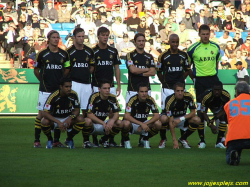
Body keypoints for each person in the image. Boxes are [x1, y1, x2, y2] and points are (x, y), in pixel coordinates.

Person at [33, 30, 70, 148]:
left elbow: (67, 68)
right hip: (45, 89)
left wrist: (61, 81)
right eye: (54, 37)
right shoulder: (41, 54)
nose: (56, 39)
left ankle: (56, 141)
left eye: (57, 37)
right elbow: (36, 70)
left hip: (58, 90)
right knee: (41, 114)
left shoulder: (64, 54)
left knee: (57, 113)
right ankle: (37, 140)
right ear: (48, 39)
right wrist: (43, 81)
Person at [187, 24, 221, 148]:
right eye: (203, 34)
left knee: (218, 109)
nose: (205, 36)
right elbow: (188, 67)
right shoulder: (192, 49)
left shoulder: (216, 47)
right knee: (202, 110)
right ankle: (202, 141)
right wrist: (194, 78)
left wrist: (215, 76)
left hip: (213, 80)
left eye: (207, 34)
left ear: (210, 34)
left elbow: (216, 63)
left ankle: (220, 141)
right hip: (200, 82)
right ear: (199, 34)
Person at [157, 34, 193, 148]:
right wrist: (164, 82)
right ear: (169, 42)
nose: (175, 44)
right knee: (165, 116)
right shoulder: (163, 56)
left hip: (180, 89)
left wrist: (182, 79)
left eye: (177, 42)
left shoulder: (184, 55)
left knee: (182, 112)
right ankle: (163, 139)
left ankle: (183, 139)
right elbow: (159, 71)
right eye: (173, 42)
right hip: (167, 89)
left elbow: (187, 70)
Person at [41, 77, 92, 149]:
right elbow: (45, 113)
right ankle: (50, 140)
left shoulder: (73, 94)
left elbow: (77, 109)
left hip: (67, 118)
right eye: (66, 87)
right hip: (55, 119)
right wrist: (58, 122)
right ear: (61, 87)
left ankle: (69, 139)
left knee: (81, 119)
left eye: (70, 86)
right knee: (44, 121)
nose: (69, 89)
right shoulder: (54, 96)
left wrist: (70, 118)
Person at [65, 28, 95, 117]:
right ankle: (71, 129)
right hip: (74, 83)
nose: (81, 38)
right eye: (79, 36)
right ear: (74, 37)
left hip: (86, 83)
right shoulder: (68, 52)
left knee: (86, 110)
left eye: (83, 36)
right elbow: (66, 68)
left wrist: (86, 73)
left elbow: (92, 66)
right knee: (73, 109)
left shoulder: (89, 51)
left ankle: (86, 129)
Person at [161, 82, 200, 149]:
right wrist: (174, 140)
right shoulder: (169, 100)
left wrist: (181, 119)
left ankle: (183, 138)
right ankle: (163, 139)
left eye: (182, 91)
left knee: (197, 120)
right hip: (170, 119)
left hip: (182, 118)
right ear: (174, 91)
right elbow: (170, 121)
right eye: (178, 91)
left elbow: (193, 112)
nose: (180, 93)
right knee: (163, 119)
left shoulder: (189, 96)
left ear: (184, 90)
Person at [122, 82, 161, 149]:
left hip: (145, 123)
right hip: (133, 124)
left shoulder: (150, 100)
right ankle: (126, 140)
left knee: (158, 124)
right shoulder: (132, 100)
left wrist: (145, 124)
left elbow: (157, 116)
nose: (144, 94)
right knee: (126, 123)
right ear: (138, 92)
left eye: (146, 91)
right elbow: (126, 116)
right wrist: (141, 124)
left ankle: (144, 139)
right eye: (142, 92)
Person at [86, 79, 123, 148]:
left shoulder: (112, 97)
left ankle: (104, 139)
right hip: (94, 124)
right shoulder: (94, 97)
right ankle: (86, 141)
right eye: (105, 88)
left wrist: (111, 121)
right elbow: (89, 114)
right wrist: (103, 123)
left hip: (104, 124)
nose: (107, 90)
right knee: (87, 121)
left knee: (119, 122)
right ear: (99, 89)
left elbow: (116, 113)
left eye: (108, 88)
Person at [197, 82, 231, 149]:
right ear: (212, 89)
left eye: (219, 90)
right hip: (204, 103)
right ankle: (202, 141)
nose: (217, 92)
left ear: (222, 89)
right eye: (215, 90)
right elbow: (203, 112)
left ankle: (218, 142)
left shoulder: (226, 96)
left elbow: (224, 109)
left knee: (224, 118)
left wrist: (214, 119)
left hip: (219, 106)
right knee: (200, 117)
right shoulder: (206, 97)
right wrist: (210, 124)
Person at [224, 81, 250, 165]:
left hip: (234, 137)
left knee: (231, 152)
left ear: (236, 91)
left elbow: (227, 120)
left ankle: (234, 155)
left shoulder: (228, 104)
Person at [125, 32, 155, 103]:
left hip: (146, 91)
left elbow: (153, 72)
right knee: (130, 113)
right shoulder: (130, 55)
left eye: (143, 41)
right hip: (133, 90)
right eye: (139, 41)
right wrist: (146, 69)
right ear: (135, 42)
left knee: (144, 113)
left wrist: (140, 73)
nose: (141, 43)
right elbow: (133, 70)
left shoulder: (149, 56)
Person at [92, 27, 121, 96]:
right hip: (97, 86)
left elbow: (117, 68)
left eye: (107, 35)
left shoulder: (113, 51)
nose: (105, 37)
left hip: (110, 86)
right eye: (103, 35)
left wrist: (119, 85)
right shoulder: (93, 52)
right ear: (98, 36)